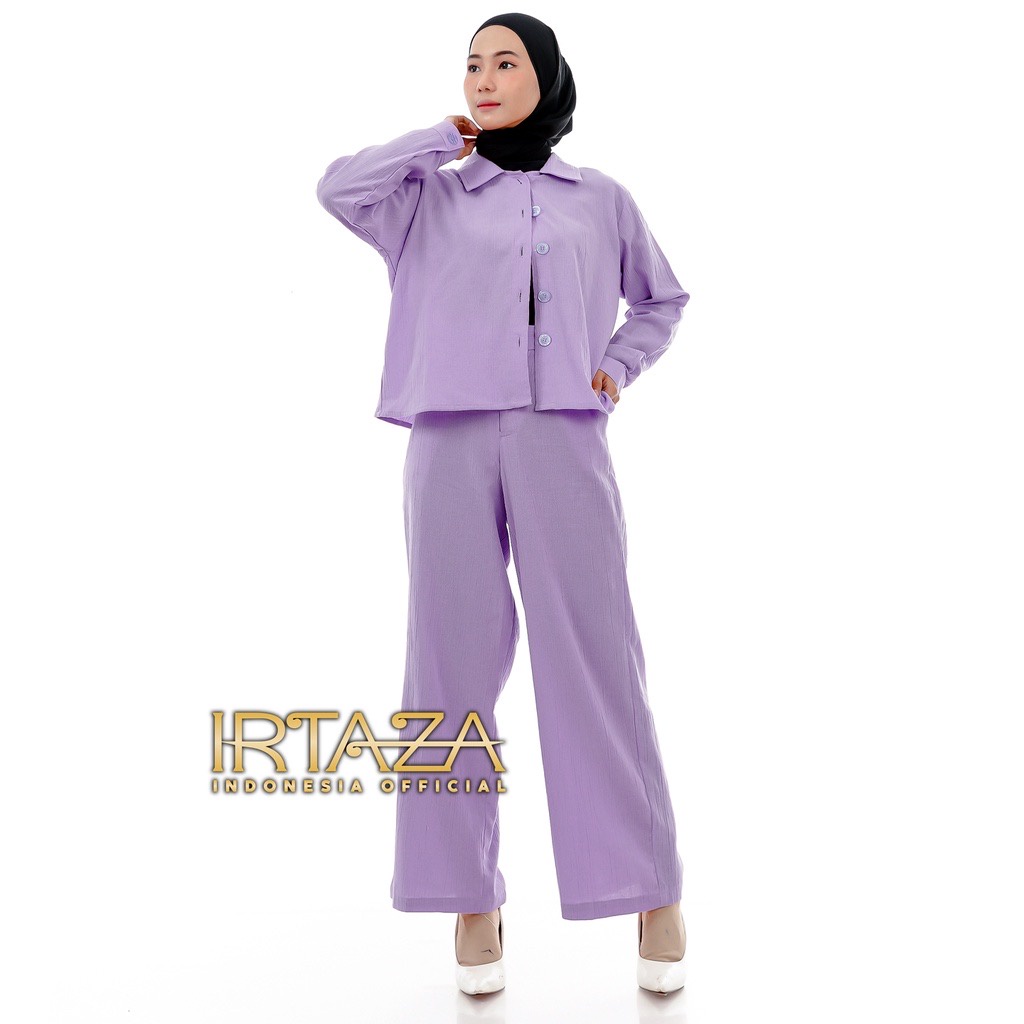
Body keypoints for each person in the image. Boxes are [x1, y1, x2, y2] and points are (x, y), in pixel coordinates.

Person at [315, 12, 690, 996]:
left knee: (596, 659)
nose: (483, 77)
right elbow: (337, 188)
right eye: (472, 64)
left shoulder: (599, 199)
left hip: (565, 437)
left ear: (547, 78)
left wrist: (616, 367)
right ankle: (467, 896)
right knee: (446, 664)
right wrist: (438, 137)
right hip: (446, 440)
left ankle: (649, 887)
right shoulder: (425, 197)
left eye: (505, 62)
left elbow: (661, 299)